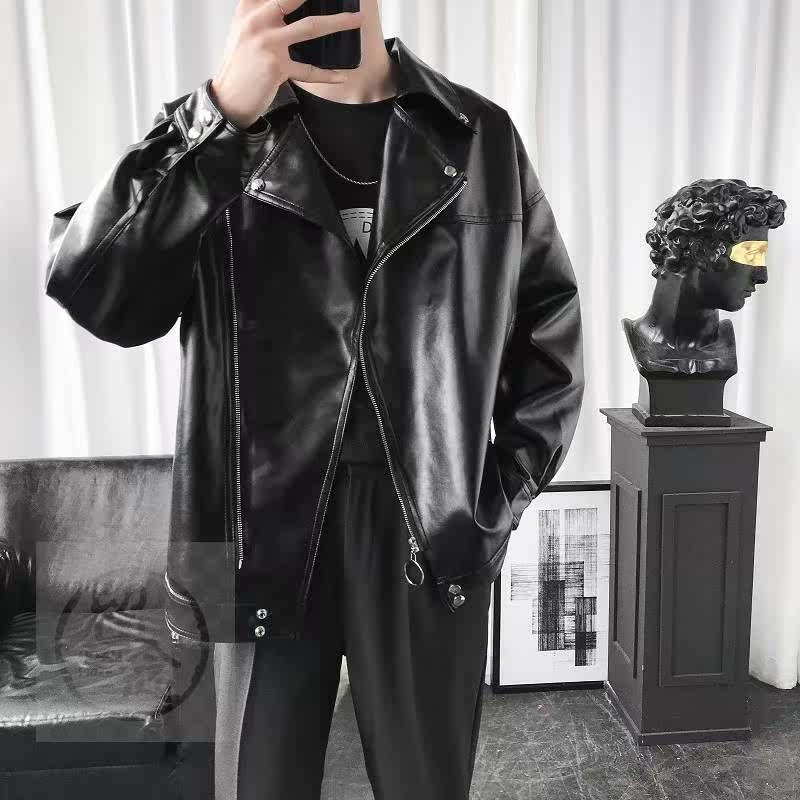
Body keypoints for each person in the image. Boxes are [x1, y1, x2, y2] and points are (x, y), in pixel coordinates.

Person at [44, 0, 585, 798]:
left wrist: (491, 504)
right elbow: (95, 293)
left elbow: (550, 338)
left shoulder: (477, 135)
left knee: (426, 784)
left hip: (429, 521)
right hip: (241, 522)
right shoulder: (214, 135)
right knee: (255, 781)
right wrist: (217, 115)